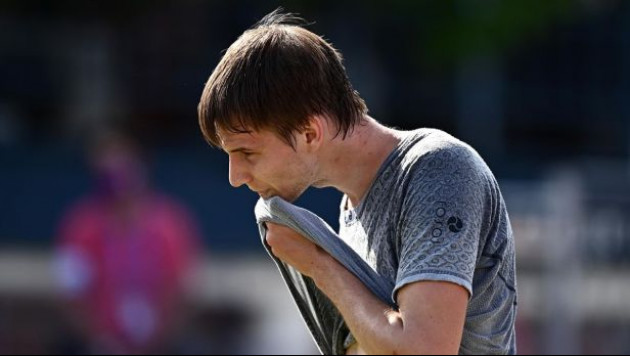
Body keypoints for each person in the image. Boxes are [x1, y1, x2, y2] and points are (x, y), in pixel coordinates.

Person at [198, 9, 517, 355]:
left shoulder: (438, 169)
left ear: (309, 133)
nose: (235, 177)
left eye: (247, 152)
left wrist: (320, 264)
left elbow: (424, 349)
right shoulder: (351, 206)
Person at [55, 131, 201, 354]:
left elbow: (182, 291)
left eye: (124, 164)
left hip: (160, 343)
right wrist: (101, 341)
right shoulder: (81, 225)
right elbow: (71, 294)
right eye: (108, 167)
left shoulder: (170, 224)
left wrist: (158, 340)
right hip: (99, 343)